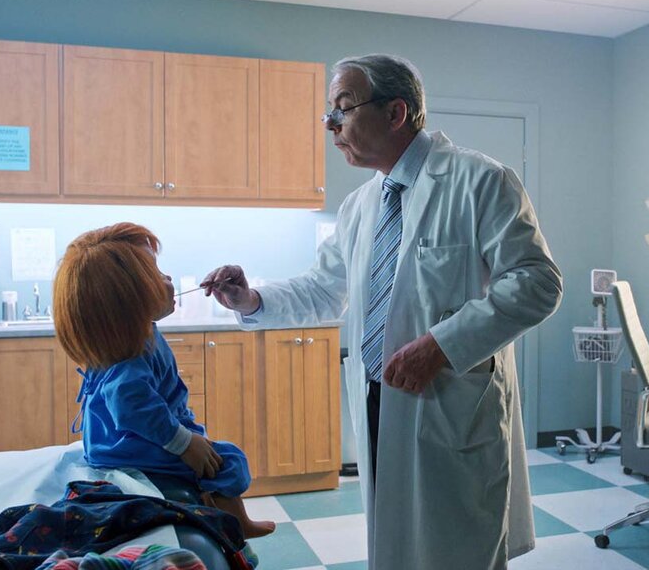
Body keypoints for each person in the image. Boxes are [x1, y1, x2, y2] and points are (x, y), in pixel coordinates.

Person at [203, 54, 563, 569]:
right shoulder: (360, 206)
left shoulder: (480, 181)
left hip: (449, 396)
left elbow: (537, 283)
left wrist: (440, 345)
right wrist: (251, 300)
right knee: (396, 543)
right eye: (330, 112)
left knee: (457, 545)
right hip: (379, 394)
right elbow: (325, 290)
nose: (331, 125)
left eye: (343, 109)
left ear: (396, 113)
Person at [52, 222, 275, 540]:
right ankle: (235, 525)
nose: (168, 280)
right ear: (129, 300)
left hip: (118, 441)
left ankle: (216, 508)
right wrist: (183, 443)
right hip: (129, 448)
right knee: (227, 461)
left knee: (209, 455)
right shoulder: (131, 355)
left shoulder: (129, 337)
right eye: (157, 275)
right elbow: (134, 409)